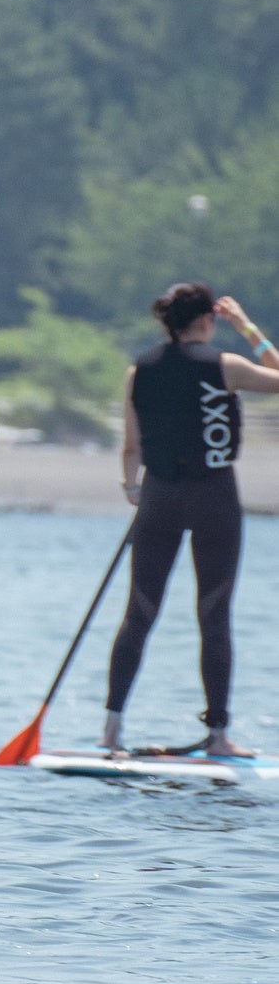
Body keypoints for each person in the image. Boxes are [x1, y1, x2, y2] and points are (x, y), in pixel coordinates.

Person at [106, 282, 279, 758]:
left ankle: (110, 731)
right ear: (207, 320)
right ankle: (219, 735)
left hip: (158, 496)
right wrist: (247, 328)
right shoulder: (227, 366)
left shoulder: (137, 371)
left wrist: (132, 488)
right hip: (214, 498)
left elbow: (131, 447)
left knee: (139, 612)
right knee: (214, 614)